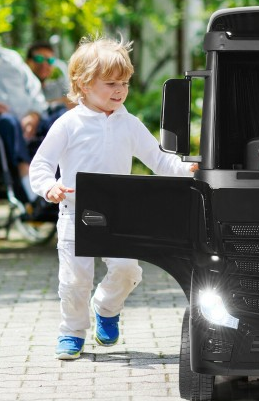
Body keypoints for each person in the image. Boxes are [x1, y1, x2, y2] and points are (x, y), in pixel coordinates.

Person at [29, 35, 197, 360]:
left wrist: (186, 169)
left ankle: (106, 307)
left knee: (127, 270)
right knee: (75, 279)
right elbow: (42, 165)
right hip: (75, 213)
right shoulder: (68, 124)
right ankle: (72, 332)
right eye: (110, 83)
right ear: (83, 83)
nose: (119, 90)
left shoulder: (129, 124)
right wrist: (48, 186)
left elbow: (160, 160)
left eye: (124, 83)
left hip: (118, 213)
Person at [0, 45, 49, 204]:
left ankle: (66, 181)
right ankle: (32, 194)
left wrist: (34, 114)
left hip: (30, 117)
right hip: (6, 124)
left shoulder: (12, 57)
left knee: (59, 119)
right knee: (8, 122)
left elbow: (34, 88)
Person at [26, 41, 72, 115]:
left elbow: (74, 102)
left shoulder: (58, 86)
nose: (44, 64)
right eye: (39, 59)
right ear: (28, 62)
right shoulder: (20, 88)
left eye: (50, 60)